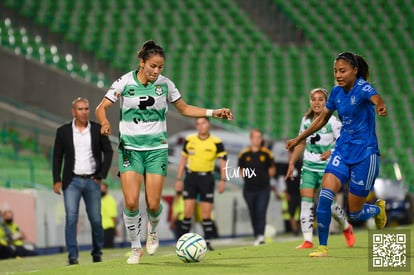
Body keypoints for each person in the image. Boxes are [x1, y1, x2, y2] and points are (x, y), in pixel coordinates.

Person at [95, 40, 233, 264]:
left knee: (152, 204)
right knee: (131, 202)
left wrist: (213, 112)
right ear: (141, 62)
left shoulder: (165, 85)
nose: (156, 71)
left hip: (156, 150)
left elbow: (185, 108)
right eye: (153, 66)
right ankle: (135, 247)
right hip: (130, 149)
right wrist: (103, 122)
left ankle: (153, 230)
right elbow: (101, 107)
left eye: (160, 67)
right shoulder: (124, 82)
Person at [286, 52, 388, 257]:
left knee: (354, 212)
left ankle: (378, 210)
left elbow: (376, 97)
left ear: (355, 71)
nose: (338, 75)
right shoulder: (335, 92)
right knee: (325, 196)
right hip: (342, 150)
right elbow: (322, 119)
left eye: (343, 71)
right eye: (335, 71)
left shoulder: (363, 87)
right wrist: (299, 139)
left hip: (364, 154)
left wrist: (380, 105)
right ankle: (322, 247)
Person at [286, 88, 355, 249]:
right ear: (310, 101)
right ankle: (308, 240)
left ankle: (346, 226)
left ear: (326, 102)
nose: (317, 102)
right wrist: (291, 164)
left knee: (327, 204)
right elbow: (301, 142)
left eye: (320, 99)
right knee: (306, 202)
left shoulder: (333, 121)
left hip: (328, 167)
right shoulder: (306, 120)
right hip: (309, 167)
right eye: (314, 99)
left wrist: (331, 152)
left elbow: (344, 142)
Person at [53, 97, 113, 265]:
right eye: (80, 109)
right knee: (71, 219)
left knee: (96, 219)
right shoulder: (63, 131)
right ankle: (72, 256)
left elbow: (108, 151)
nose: (84, 112)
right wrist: (56, 180)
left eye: (86, 108)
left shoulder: (97, 129)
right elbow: (57, 157)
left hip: (92, 181)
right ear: (73, 111)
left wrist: (101, 175)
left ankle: (97, 253)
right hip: (71, 181)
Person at [175, 117, 227, 250]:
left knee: (206, 213)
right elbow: (182, 160)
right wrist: (179, 179)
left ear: (208, 124)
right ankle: (181, 243)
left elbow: (223, 162)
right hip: (191, 178)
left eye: (203, 123)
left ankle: (208, 242)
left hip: (207, 178)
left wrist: (223, 180)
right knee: (187, 212)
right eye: (198, 123)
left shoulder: (216, 142)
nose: (201, 126)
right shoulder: (189, 140)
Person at [238, 129, 276, 246]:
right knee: (253, 212)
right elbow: (240, 169)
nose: (257, 139)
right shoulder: (244, 154)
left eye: (259, 137)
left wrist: (264, 178)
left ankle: (260, 235)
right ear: (251, 139)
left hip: (263, 188)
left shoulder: (267, 153)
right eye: (255, 137)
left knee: (261, 211)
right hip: (249, 189)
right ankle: (257, 234)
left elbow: (272, 169)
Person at [101, 182, 118, 248]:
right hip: (101, 228)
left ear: (106, 189)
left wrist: (115, 229)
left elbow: (113, 216)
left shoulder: (110, 200)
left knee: (108, 247)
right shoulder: (100, 199)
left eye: (103, 189)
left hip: (108, 228)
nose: (101, 190)